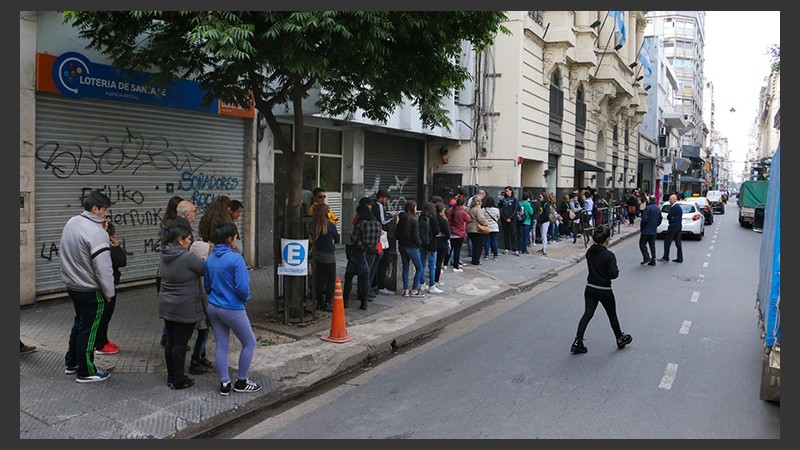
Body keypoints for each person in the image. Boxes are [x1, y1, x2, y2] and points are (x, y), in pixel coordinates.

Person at [60, 190, 115, 383]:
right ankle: (86, 370)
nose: (106, 214)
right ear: (95, 209)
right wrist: (109, 292)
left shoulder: (72, 222)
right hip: (90, 289)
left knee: (80, 323)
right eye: (104, 210)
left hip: (72, 286)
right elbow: (103, 268)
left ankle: (71, 362)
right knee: (89, 329)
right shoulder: (97, 233)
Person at [204, 220, 262, 395]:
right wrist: (244, 299)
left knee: (221, 344)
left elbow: (207, 286)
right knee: (249, 342)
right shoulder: (236, 259)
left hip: (213, 307)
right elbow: (243, 288)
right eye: (236, 237)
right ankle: (242, 381)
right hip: (233, 308)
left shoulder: (210, 258)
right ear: (230, 239)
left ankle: (224, 383)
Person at [158, 220, 205, 389]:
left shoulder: (164, 254)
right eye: (188, 239)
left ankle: (171, 376)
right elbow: (205, 269)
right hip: (185, 306)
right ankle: (179, 380)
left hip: (167, 304)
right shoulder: (187, 257)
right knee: (180, 343)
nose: (190, 241)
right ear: (180, 240)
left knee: (171, 340)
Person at [570, 226, 632, 354]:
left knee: (587, 314)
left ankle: (578, 341)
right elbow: (614, 274)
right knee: (612, 314)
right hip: (604, 289)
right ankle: (619, 338)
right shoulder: (609, 255)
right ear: (607, 239)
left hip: (590, 287)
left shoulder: (589, 252)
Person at [94, 221, 127, 355]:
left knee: (105, 316)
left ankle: (103, 340)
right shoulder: (105, 249)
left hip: (107, 286)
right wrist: (117, 248)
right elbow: (121, 261)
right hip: (105, 288)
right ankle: (100, 344)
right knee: (104, 316)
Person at [343, 203, 382, 308]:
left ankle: (345, 301)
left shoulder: (361, 224)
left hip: (358, 254)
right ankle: (364, 303)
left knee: (349, 277)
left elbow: (353, 239)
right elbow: (378, 239)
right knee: (365, 278)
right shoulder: (378, 224)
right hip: (372, 253)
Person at [312, 204, 340, 312]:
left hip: (317, 256)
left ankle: (319, 302)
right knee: (330, 280)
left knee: (319, 280)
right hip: (328, 256)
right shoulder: (330, 225)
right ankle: (328, 303)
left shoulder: (313, 225)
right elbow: (337, 239)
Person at [396, 201, 425, 297]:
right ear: (413, 208)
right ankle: (414, 290)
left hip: (402, 246)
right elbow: (416, 236)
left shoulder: (401, 220)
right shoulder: (413, 221)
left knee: (405, 268)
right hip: (412, 247)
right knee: (419, 268)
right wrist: (419, 244)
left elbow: (396, 235)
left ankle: (406, 290)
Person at [371, 190, 398, 296]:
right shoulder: (379, 206)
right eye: (386, 199)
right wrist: (391, 216)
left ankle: (373, 283)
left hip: (375, 237)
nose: (386, 202)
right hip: (382, 236)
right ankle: (381, 286)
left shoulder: (372, 206)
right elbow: (383, 220)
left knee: (376, 261)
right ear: (381, 198)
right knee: (383, 260)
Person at [418, 201, 442, 294]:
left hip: (422, 245)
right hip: (432, 245)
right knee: (432, 266)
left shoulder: (421, 218)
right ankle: (432, 285)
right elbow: (436, 231)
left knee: (422, 265)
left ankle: (422, 283)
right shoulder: (433, 219)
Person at [446, 197, 471, 272]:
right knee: (457, 251)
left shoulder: (450, 210)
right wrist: (465, 210)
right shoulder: (462, 212)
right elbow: (468, 219)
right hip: (459, 233)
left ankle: (444, 264)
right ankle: (455, 267)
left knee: (449, 250)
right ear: (462, 204)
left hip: (451, 232)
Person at [659, 194, 684, 263]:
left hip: (673, 227)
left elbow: (669, 216)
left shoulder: (675, 207)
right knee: (678, 242)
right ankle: (680, 257)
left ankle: (666, 257)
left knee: (667, 241)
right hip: (678, 226)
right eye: (669, 199)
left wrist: (670, 217)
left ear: (675, 199)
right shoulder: (678, 207)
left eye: (671, 199)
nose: (670, 201)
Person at [639, 195, 662, 266]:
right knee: (652, 245)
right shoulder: (657, 208)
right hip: (653, 230)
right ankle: (653, 259)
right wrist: (655, 225)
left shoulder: (648, 208)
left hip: (646, 230)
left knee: (642, 244)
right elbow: (660, 219)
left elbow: (644, 220)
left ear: (649, 200)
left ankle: (646, 257)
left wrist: (642, 227)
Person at [465, 195, 488, 266]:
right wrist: (486, 223)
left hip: (470, 229)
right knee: (478, 246)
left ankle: (474, 259)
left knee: (474, 245)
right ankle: (476, 260)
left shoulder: (470, 210)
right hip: (477, 229)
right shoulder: (478, 209)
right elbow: (481, 219)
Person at [433, 200, 451, 286]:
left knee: (432, 262)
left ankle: (430, 280)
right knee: (439, 262)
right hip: (442, 242)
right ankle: (436, 280)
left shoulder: (431, 218)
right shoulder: (443, 220)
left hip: (433, 241)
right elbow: (447, 233)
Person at [498, 186, 519, 255]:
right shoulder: (504, 199)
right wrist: (504, 217)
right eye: (506, 191)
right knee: (505, 233)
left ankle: (515, 248)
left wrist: (511, 218)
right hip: (504, 218)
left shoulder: (515, 199)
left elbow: (515, 209)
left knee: (513, 233)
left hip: (512, 219)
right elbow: (500, 207)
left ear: (511, 191)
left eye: (508, 191)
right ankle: (507, 247)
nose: (507, 192)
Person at [482, 196, 501, 261]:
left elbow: (482, 218)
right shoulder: (496, 210)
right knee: (494, 241)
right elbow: (498, 218)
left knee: (487, 241)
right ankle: (495, 255)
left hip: (487, 227)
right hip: (495, 227)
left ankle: (486, 255)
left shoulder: (483, 210)